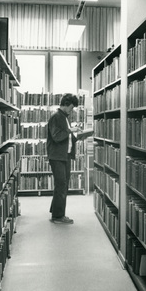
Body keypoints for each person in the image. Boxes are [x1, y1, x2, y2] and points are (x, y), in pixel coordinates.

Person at [47, 93, 82, 224]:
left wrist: (78, 135)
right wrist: (70, 130)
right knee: (61, 185)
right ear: (66, 105)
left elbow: (66, 137)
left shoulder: (64, 117)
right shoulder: (56, 117)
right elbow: (56, 136)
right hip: (57, 157)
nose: (71, 110)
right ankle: (58, 216)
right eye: (71, 108)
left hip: (64, 156)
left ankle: (56, 212)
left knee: (62, 185)